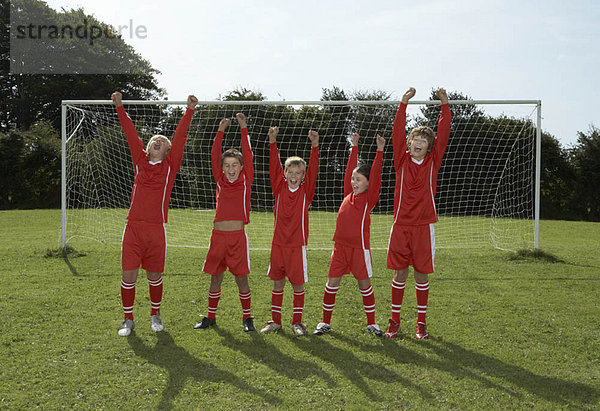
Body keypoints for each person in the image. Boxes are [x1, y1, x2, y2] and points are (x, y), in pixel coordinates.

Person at [112, 91, 198, 337]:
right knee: (128, 275)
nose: (157, 141)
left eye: (162, 140)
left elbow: (180, 137)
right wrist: (120, 107)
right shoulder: (139, 161)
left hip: (156, 230)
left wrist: (189, 110)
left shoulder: (170, 167)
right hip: (133, 228)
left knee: (154, 276)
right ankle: (128, 319)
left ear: (168, 149)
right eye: (153, 140)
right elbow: (130, 134)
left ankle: (155, 314)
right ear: (147, 148)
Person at [385, 87, 451, 340]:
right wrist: (403, 103)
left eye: (424, 142)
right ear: (409, 144)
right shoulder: (400, 160)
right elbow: (396, 132)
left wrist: (444, 105)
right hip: (401, 225)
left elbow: (443, 133)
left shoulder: (433, 162)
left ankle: (421, 323)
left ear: (428, 147)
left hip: (424, 226)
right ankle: (395, 321)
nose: (418, 144)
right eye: (415, 141)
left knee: (421, 274)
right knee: (399, 273)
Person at [314, 132, 386, 336]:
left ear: (367, 183)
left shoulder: (368, 199)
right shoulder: (348, 194)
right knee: (331, 284)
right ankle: (325, 322)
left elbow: (377, 175)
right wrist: (354, 146)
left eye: (359, 179)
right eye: (353, 179)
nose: (354, 182)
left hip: (358, 250)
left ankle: (371, 323)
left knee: (364, 285)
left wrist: (379, 151)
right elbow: (348, 172)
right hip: (340, 248)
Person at [194, 113, 256, 332]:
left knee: (241, 279)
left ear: (241, 167)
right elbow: (214, 155)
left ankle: (248, 318)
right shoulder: (219, 179)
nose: (231, 169)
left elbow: (248, 154)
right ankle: (210, 316)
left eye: (235, 165)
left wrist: (243, 127)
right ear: (222, 168)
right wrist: (220, 131)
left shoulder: (245, 179)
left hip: (237, 238)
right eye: (227, 165)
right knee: (215, 277)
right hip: (218, 237)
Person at [260, 126, 319, 336]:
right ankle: (275, 321)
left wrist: (314, 146)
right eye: (290, 172)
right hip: (278, 244)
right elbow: (273, 166)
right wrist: (272, 141)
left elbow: (314, 170)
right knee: (277, 283)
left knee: (297, 285)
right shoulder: (279, 187)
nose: (294, 175)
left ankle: (297, 322)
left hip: (297, 245)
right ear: (285, 173)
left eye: (298, 173)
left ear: (303, 175)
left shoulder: (306, 191)